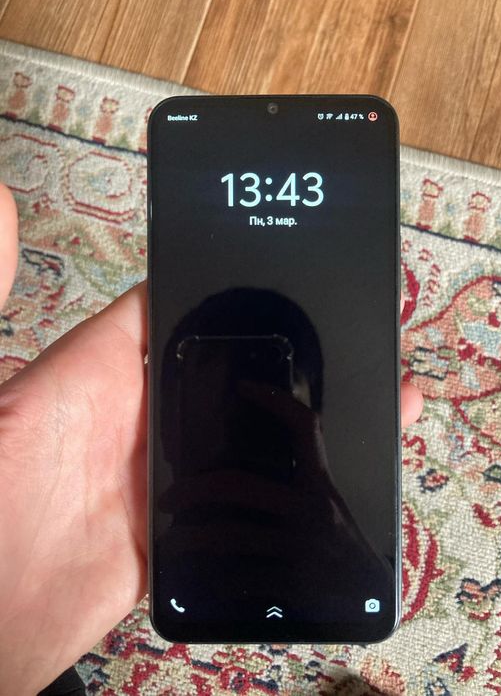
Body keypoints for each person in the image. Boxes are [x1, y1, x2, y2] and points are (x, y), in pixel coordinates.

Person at [0, 184, 424, 695]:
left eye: (265, 403)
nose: (238, 424)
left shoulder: (338, 551)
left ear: (311, 421)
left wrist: (351, 564)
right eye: (220, 402)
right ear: (165, 422)